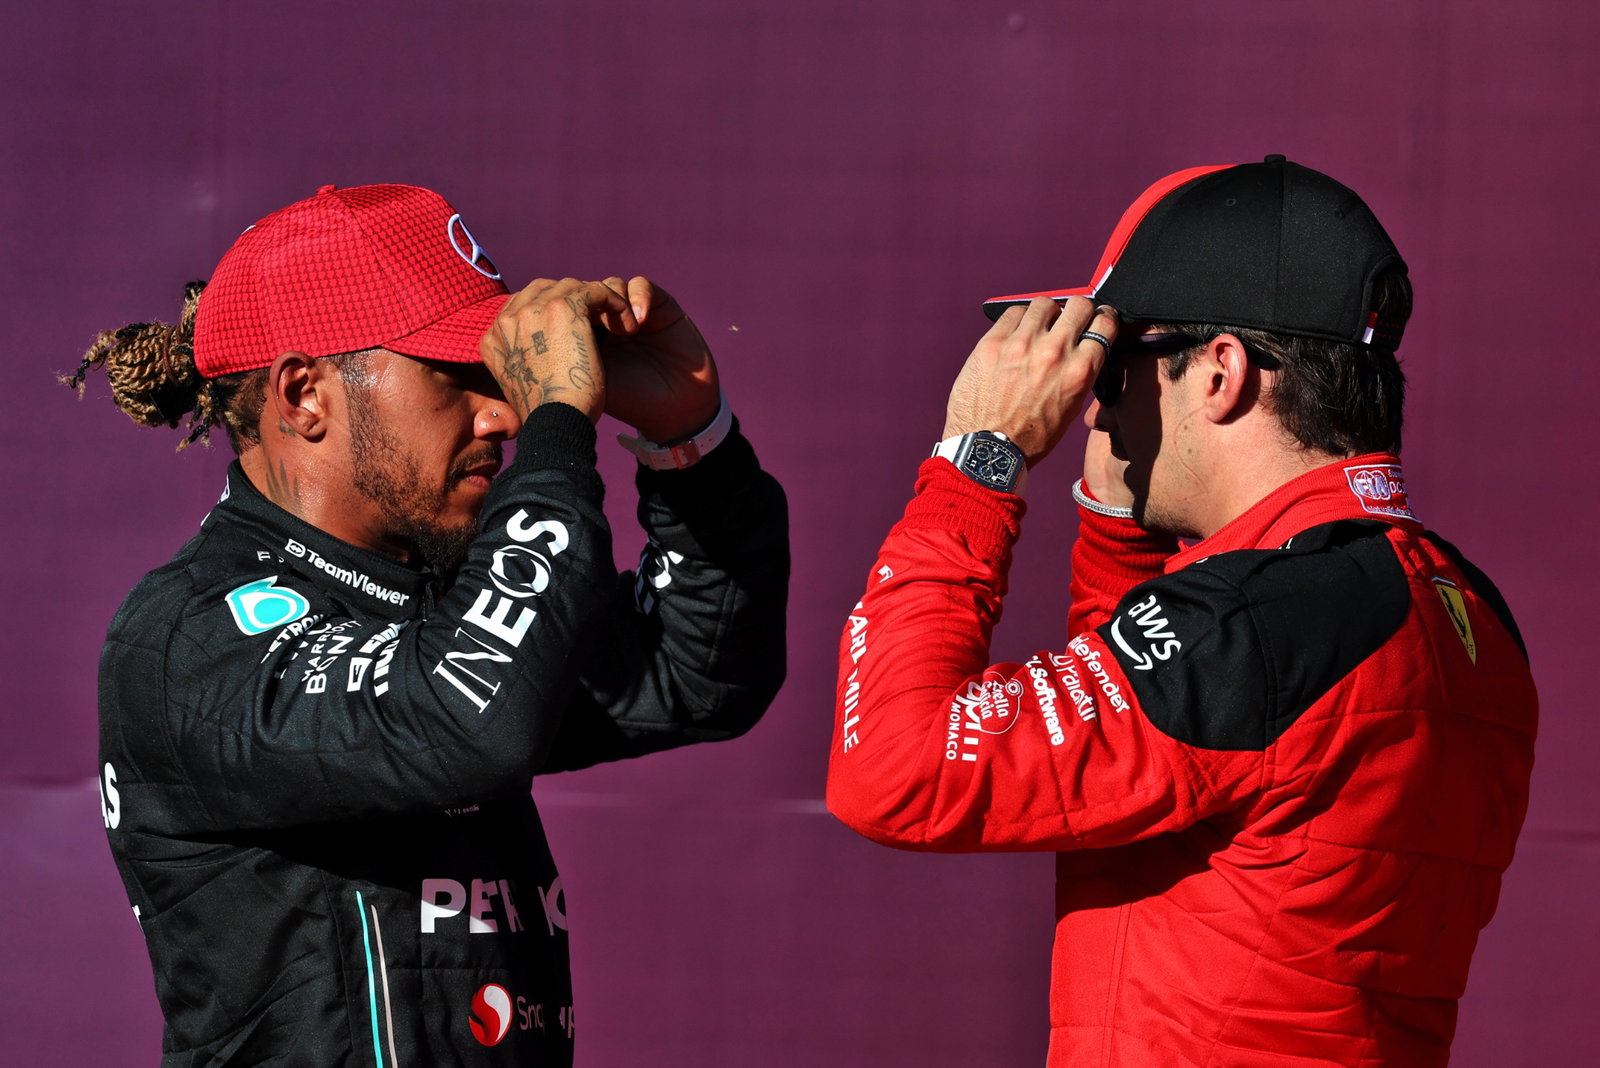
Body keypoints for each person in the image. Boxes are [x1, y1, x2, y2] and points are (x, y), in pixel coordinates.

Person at [826, 156, 1536, 1067]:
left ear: (1219, 374)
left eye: (1113, 365)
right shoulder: (1460, 605)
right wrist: (1119, 532)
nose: (1090, 410)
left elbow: (892, 770)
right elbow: (1148, 767)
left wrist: (976, 466)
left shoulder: (1263, 624)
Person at [71, 183, 788, 1065]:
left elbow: (697, 673)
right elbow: (464, 715)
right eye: (458, 377)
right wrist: (562, 434)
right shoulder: (185, 638)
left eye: (505, 379)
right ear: (304, 396)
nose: (505, 413)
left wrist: (690, 442)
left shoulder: (443, 594)